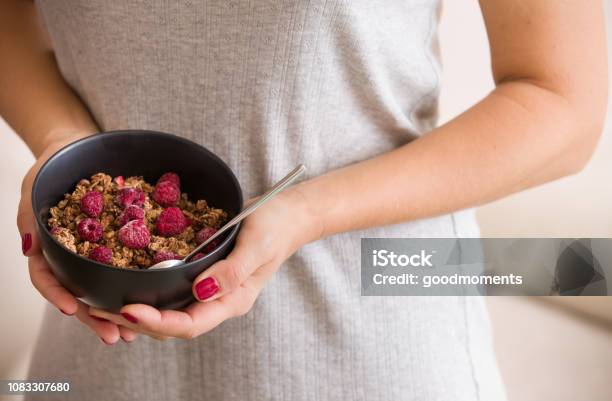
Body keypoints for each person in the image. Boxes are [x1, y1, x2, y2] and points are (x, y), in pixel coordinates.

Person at [1, 0, 607, 400]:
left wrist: (306, 211)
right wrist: (63, 148)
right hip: (94, 349)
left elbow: (561, 104)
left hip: (369, 340)